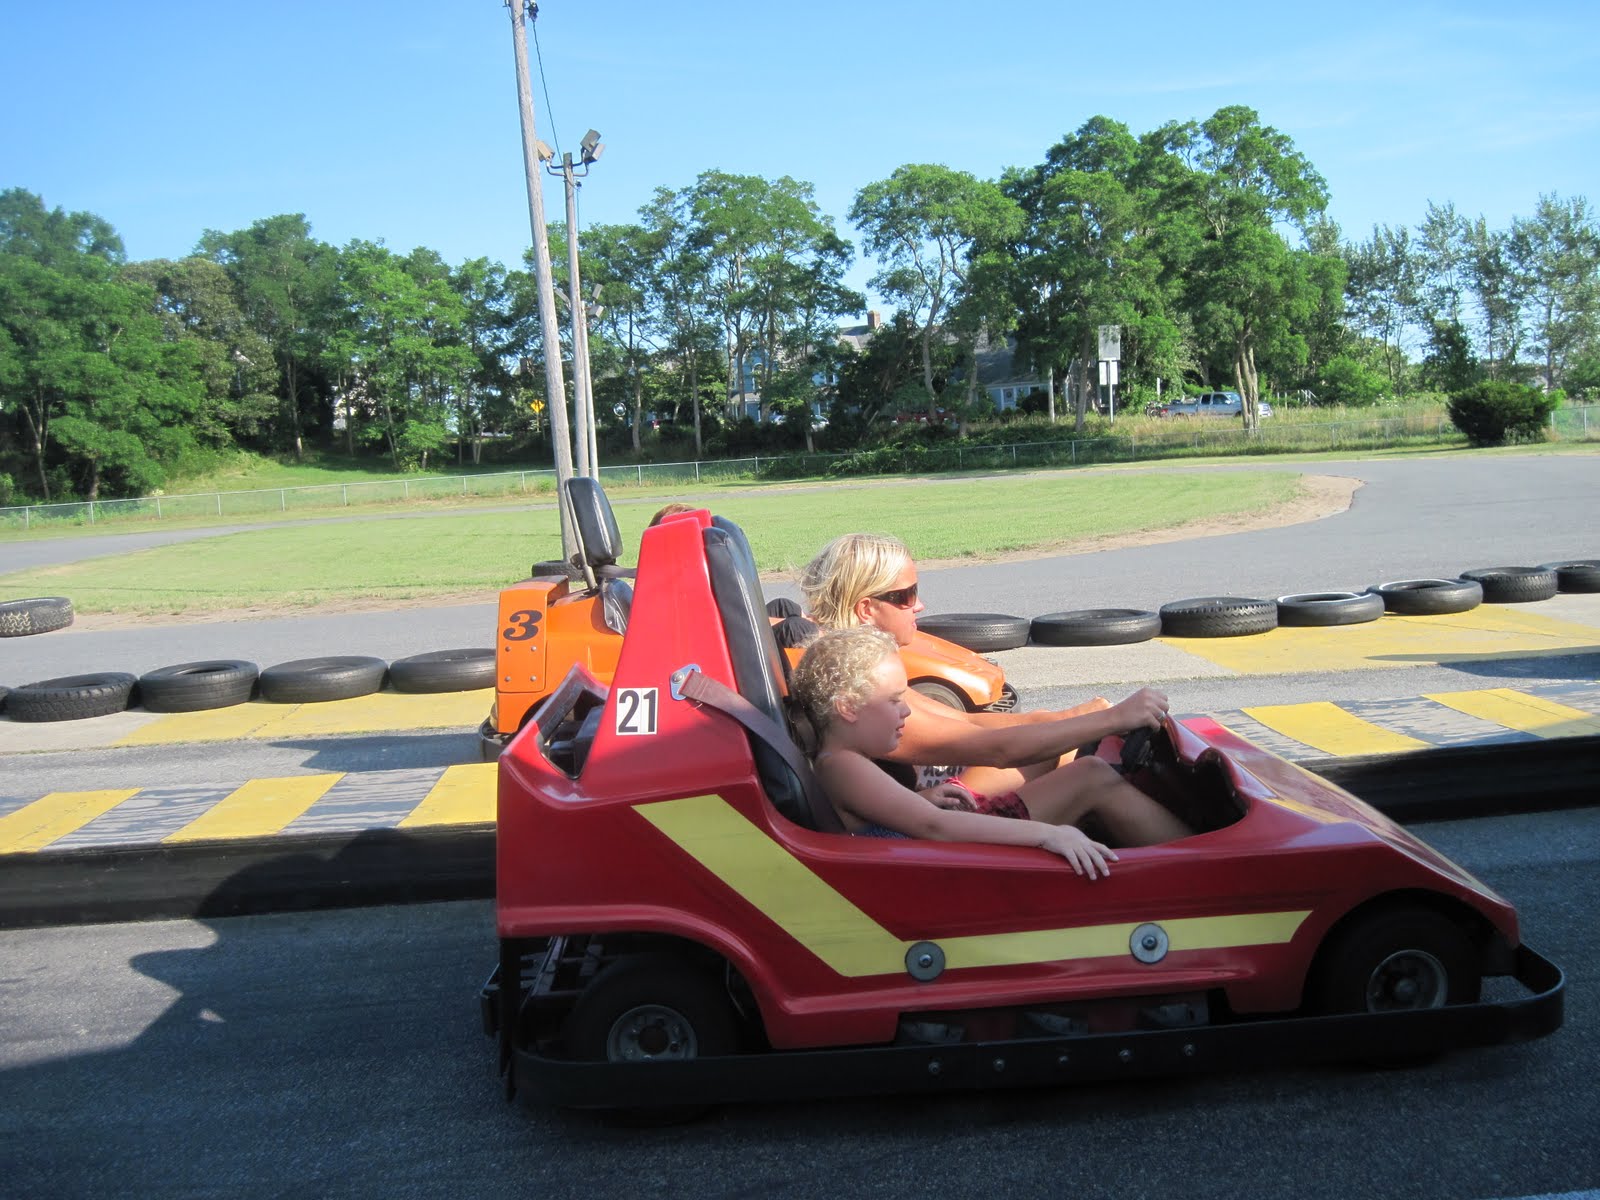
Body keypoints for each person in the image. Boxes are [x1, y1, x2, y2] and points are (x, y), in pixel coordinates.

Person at [791, 628, 1191, 877]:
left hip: (930, 859)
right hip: (945, 872)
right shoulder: (842, 764)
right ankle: (1200, 865)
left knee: (1087, 772)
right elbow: (936, 828)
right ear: (847, 707)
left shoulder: (839, 760)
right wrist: (1047, 835)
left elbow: (879, 820)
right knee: (1093, 777)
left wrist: (919, 798)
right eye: (894, 700)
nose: (906, 710)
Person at [799, 532, 1174, 798]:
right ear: (866, 608)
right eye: (906, 595)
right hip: (934, 820)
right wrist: (1110, 719)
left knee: (1061, 744)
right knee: (1091, 776)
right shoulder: (864, 689)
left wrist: (1074, 717)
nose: (920, 605)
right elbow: (993, 748)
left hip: (933, 799)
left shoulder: (863, 663)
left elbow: (969, 721)